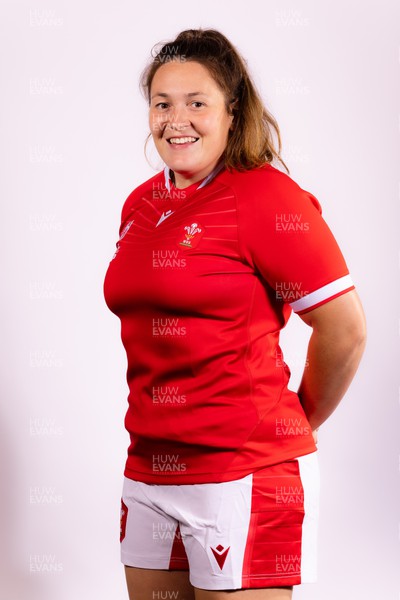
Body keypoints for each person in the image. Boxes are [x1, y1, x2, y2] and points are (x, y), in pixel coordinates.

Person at [103, 28, 366, 600]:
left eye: (197, 102)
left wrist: (298, 420)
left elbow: (344, 327)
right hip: (148, 468)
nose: (178, 119)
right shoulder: (140, 205)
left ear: (232, 110)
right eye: (162, 103)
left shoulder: (268, 200)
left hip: (245, 472)